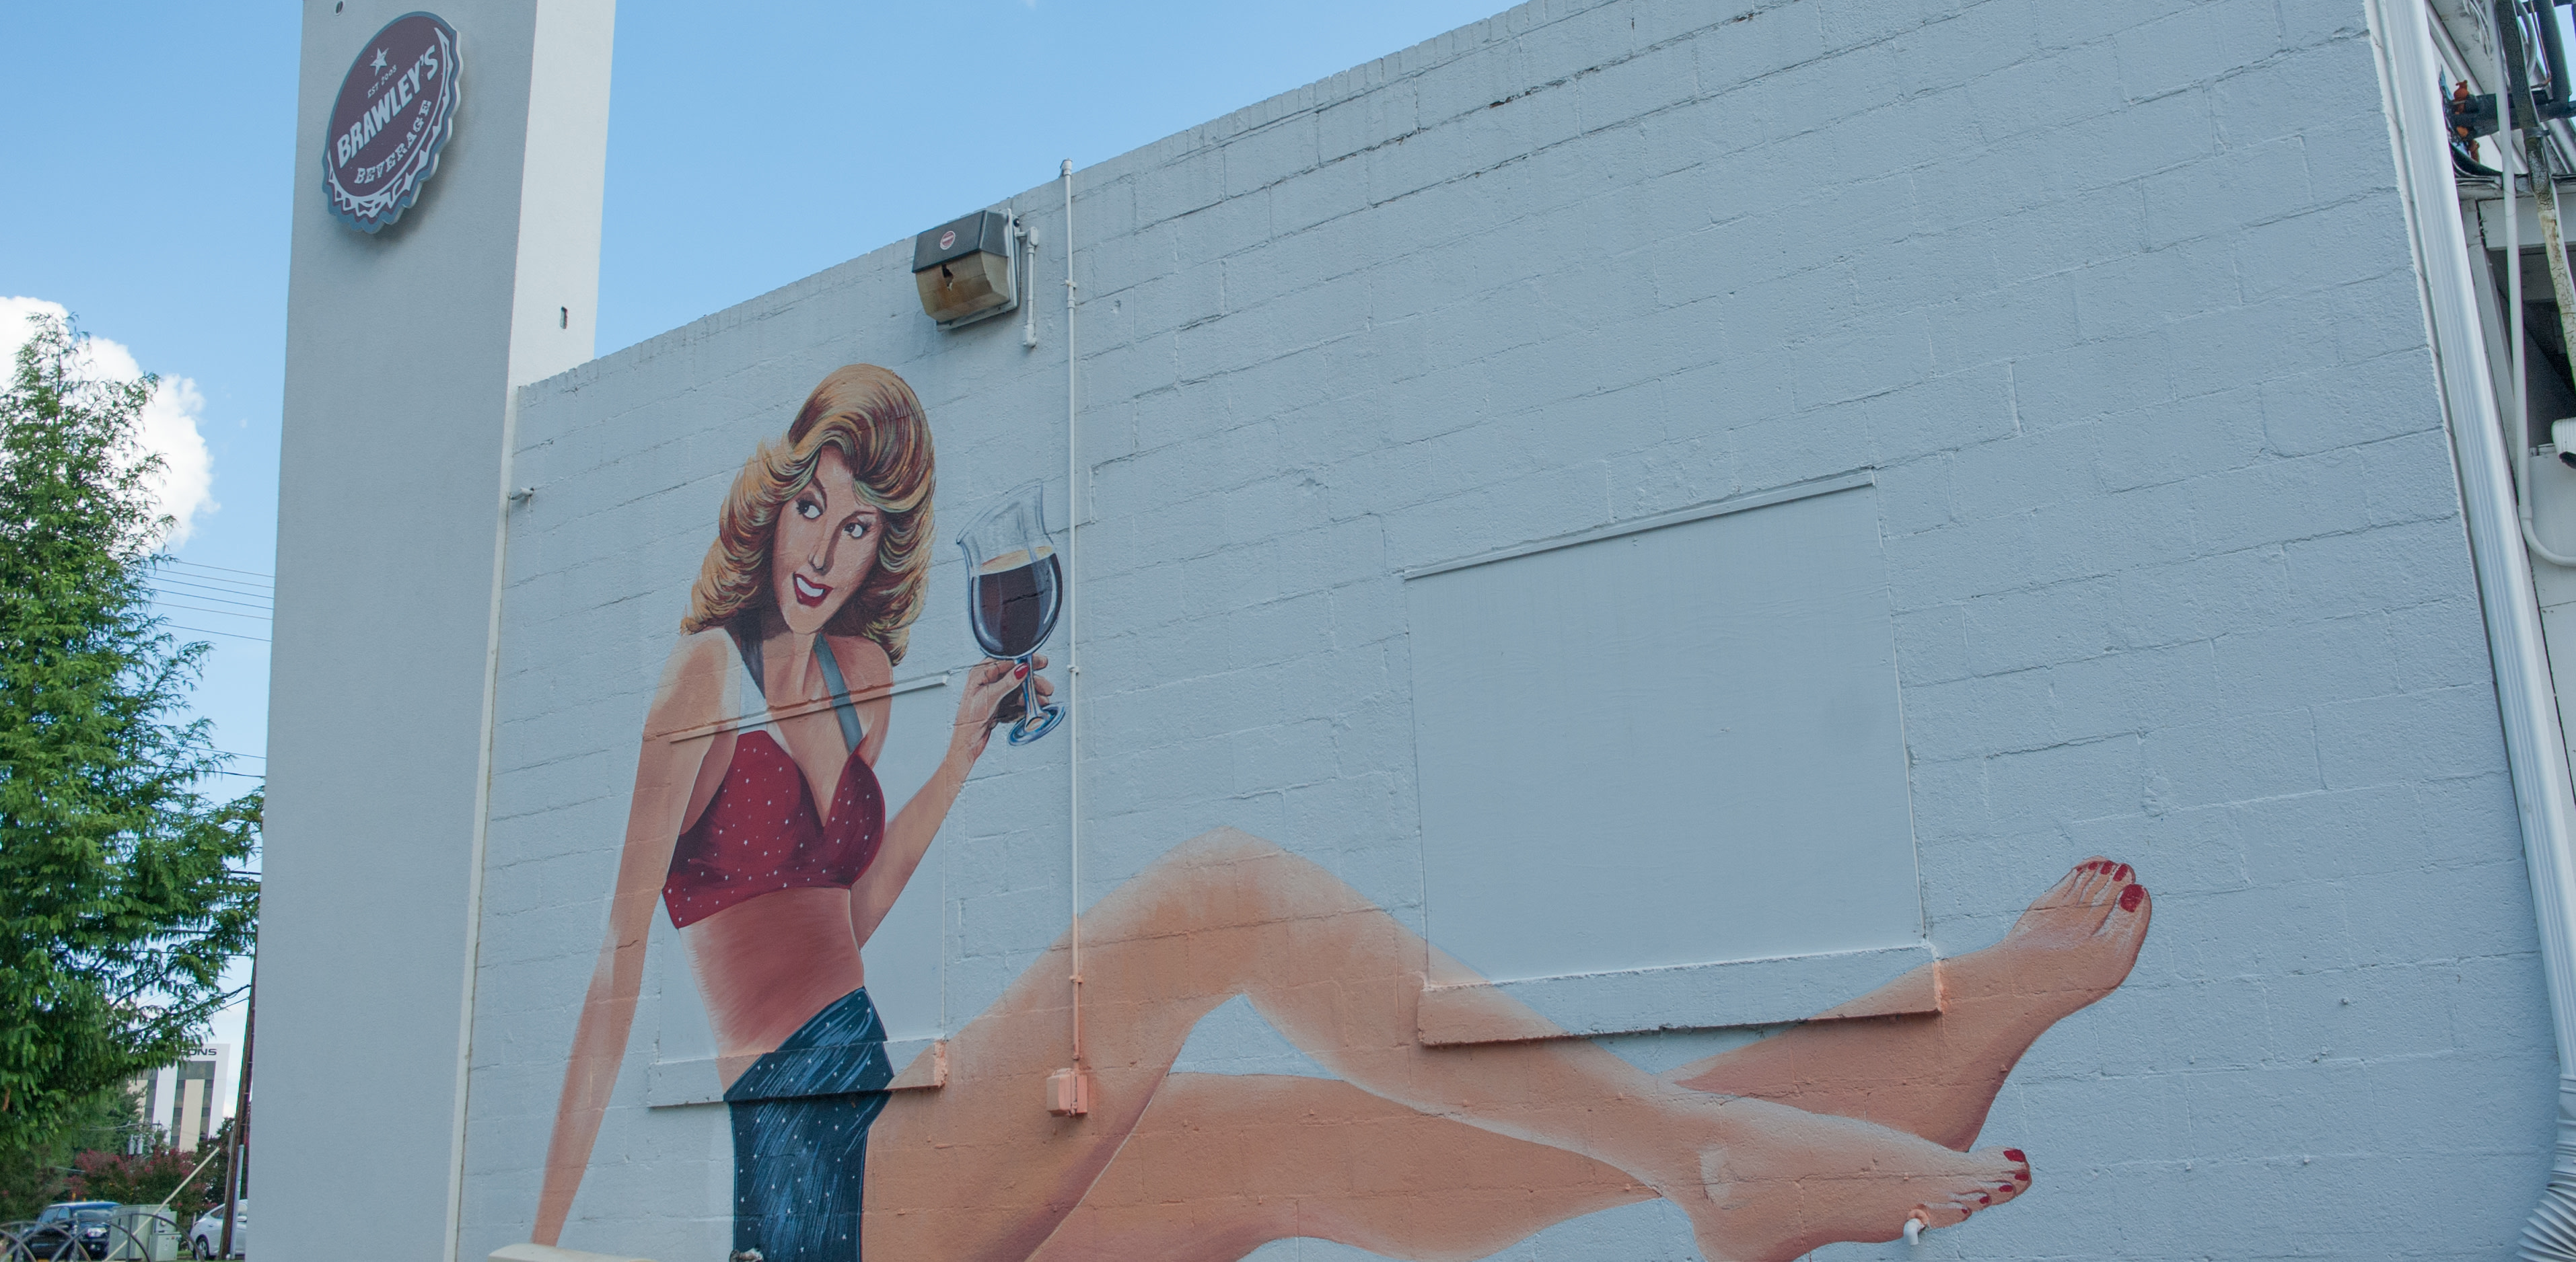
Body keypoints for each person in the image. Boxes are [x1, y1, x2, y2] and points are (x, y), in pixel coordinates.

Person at [537, 364, 2151, 1262]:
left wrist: (956, 756)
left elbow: (841, 924)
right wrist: (540, 1244)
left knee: (1347, 1143)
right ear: (772, 501)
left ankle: (1886, 1076)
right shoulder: (701, 677)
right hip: (816, 1177)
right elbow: (622, 963)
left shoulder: (864, 688)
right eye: (813, 505)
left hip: (889, 1113)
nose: (826, 547)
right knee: (1220, 895)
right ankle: (1711, 1153)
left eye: (861, 523)